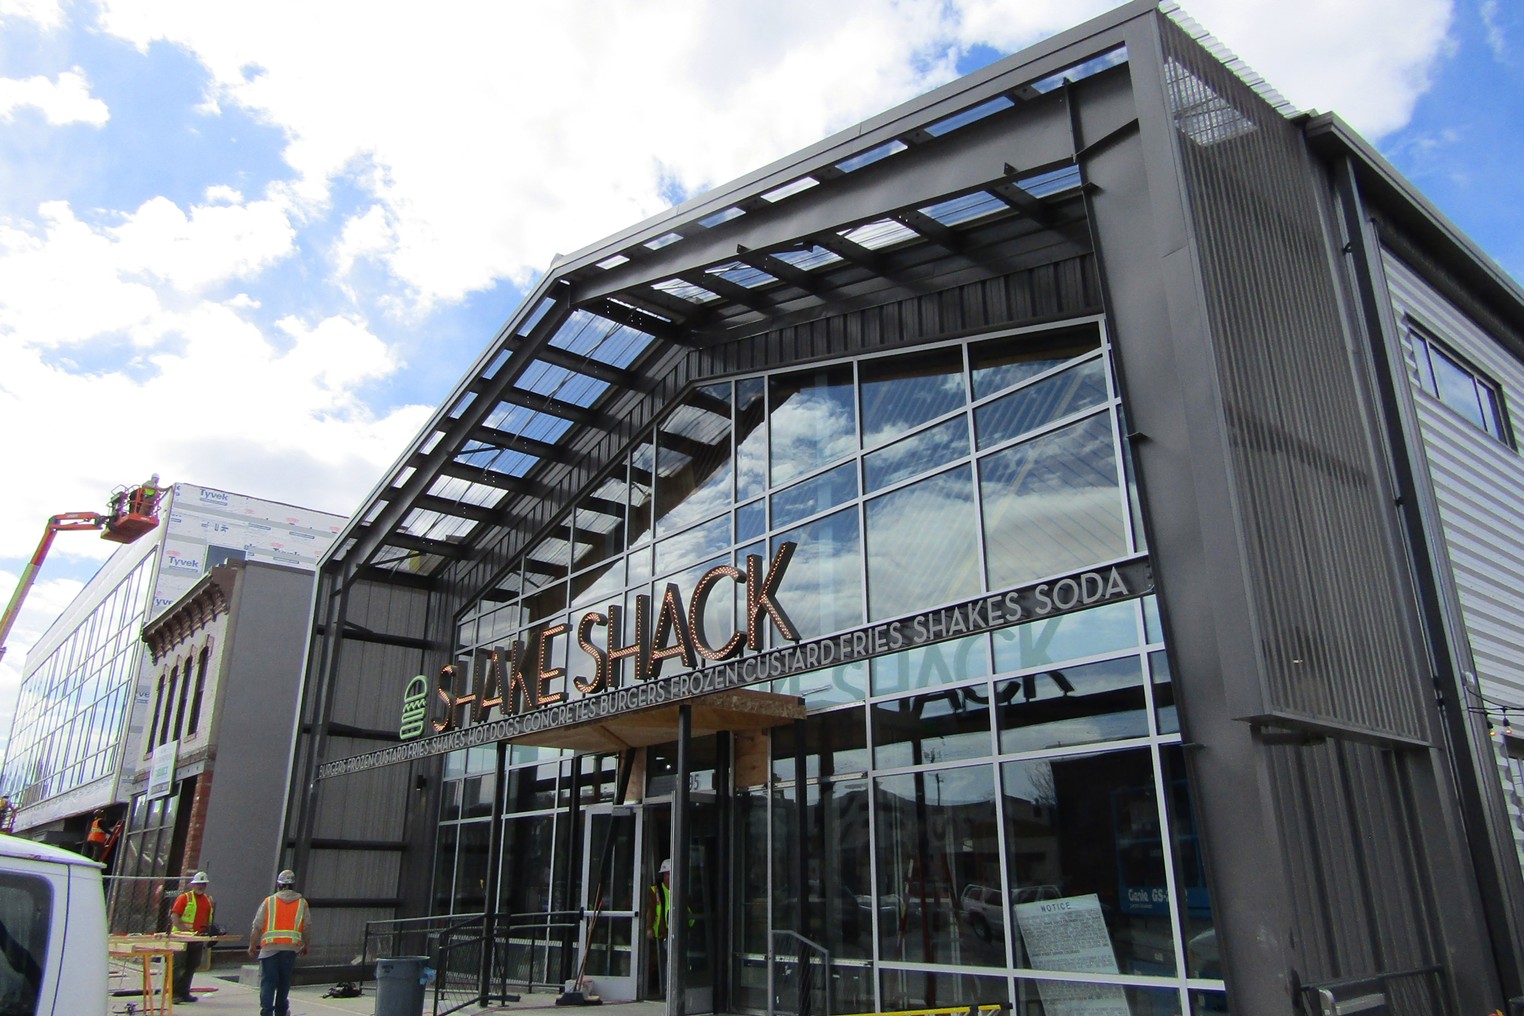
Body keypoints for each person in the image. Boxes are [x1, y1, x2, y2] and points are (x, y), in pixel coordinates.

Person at [248, 869, 310, 1016]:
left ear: (279, 885)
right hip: (290, 949)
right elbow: (307, 926)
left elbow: (257, 925)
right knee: (284, 982)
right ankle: (281, 1011)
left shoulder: (269, 902)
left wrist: (252, 945)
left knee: (268, 982)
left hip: (270, 949)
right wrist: (306, 944)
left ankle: (267, 1012)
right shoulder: (302, 903)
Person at [169, 871, 215, 1004]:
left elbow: (208, 919)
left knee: (192, 965)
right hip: (181, 938)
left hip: (198, 938)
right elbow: (175, 916)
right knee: (179, 966)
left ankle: (184, 992)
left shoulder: (208, 900)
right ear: (193, 885)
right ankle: (174, 994)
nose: (201, 886)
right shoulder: (185, 898)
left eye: (203, 884)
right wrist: (185, 931)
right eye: (199, 884)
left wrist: (210, 932)